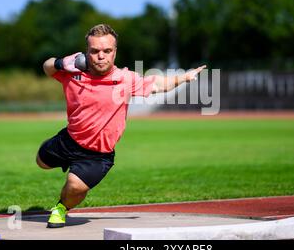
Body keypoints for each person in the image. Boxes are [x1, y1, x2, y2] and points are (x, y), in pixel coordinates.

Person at [37, 23, 206, 228]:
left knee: (75, 186)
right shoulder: (72, 72)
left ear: (115, 52)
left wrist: (185, 77)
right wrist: (60, 62)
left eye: (107, 51)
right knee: (41, 162)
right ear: (87, 52)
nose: (101, 56)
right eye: (95, 51)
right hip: (68, 139)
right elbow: (46, 67)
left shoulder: (125, 78)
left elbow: (158, 85)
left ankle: (61, 208)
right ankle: (54, 155)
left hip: (97, 155)